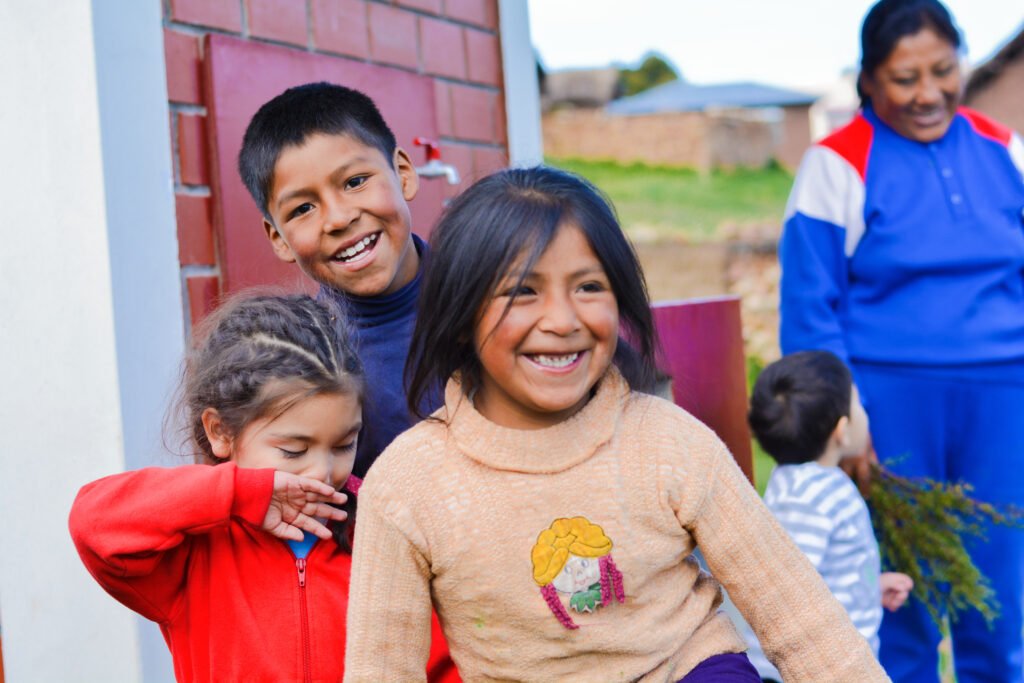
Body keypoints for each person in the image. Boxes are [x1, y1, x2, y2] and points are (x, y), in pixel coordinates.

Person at [343, 166, 889, 682]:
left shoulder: (670, 442)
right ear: (460, 317)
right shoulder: (407, 484)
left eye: (588, 286)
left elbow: (799, 614)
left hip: (688, 669)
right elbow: (381, 667)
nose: (563, 320)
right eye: (522, 292)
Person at [778, 0, 1024, 679]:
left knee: (1000, 591)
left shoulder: (1006, 151)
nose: (928, 94)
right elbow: (809, 307)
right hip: (886, 406)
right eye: (904, 77)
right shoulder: (835, 165)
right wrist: (841, 420)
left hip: (1005, 398)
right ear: (868, 81)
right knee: (898, 592)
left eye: (944, 70)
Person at [70, 295, 362, 681]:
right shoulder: (194, 551)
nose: (322, 472)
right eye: (294, 450)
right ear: (221, 432)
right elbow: (94, 523)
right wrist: (240, 493)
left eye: (343, 445)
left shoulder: (377, 533)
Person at [238, 81, 435, 480]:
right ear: (279, 238)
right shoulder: (303, 362)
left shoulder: (491, 295)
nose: (339, 218)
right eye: (304, 208)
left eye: (355, 182)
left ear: (403, 173)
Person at [739, 351, 913, 682]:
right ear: (842, 430)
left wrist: (866, 587)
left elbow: (813, 574)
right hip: (822, 671)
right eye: (857, 404)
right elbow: (788, 595)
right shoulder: (810, 497)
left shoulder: (801, 482)